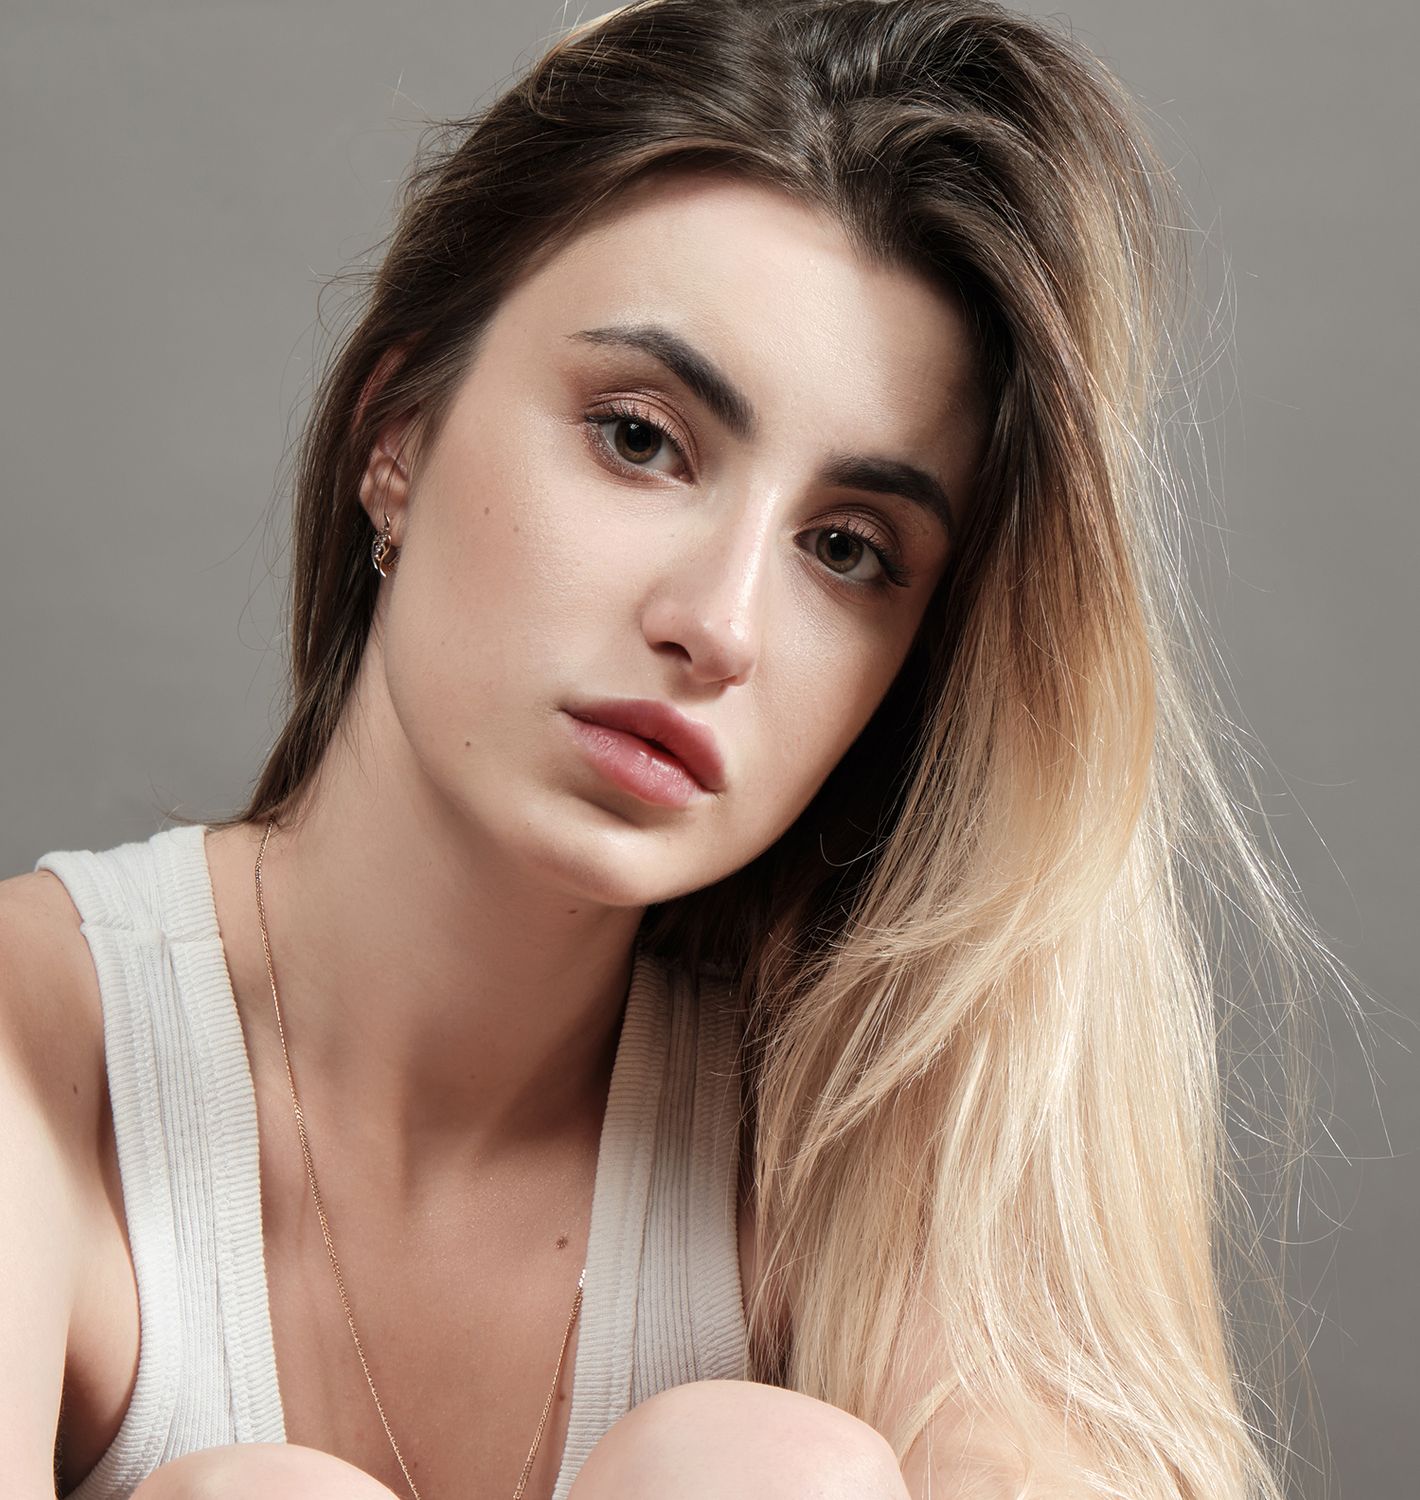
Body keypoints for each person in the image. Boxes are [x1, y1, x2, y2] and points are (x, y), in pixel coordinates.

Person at [2, 2, 1334, 1498]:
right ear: (399, 434)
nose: (722, 624)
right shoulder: (35, 1049)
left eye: (845, 547)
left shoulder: (855, 1137)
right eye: (641, 437)